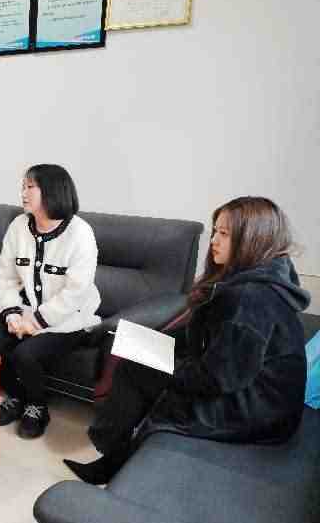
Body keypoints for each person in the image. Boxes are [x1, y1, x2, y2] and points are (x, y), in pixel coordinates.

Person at [65, 196, 310, 485]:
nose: (213, 241)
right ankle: (112, 457)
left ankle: (114, 461)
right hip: (249, 389)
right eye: (215, 231)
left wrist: (168, 368)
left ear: (251, 240)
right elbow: (206, 333)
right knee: (137, 361)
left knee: (149, 381)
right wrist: (157, 345)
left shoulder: (250, 298)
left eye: (224, 234)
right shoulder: (256, 277)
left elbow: (220, 378)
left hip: (257, 410)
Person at [0, 164, 101, 439]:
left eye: (30, 187)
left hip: (70, 318)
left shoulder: (80, 233)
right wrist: (12, 314)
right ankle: (16, 396)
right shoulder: (18, 226)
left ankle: (37, 406)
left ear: (53, 191)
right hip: (26, 311)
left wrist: (35, 322)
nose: (23, 193)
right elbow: (5, 276)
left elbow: (76, 292)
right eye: (23, 186)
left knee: (26, 354)